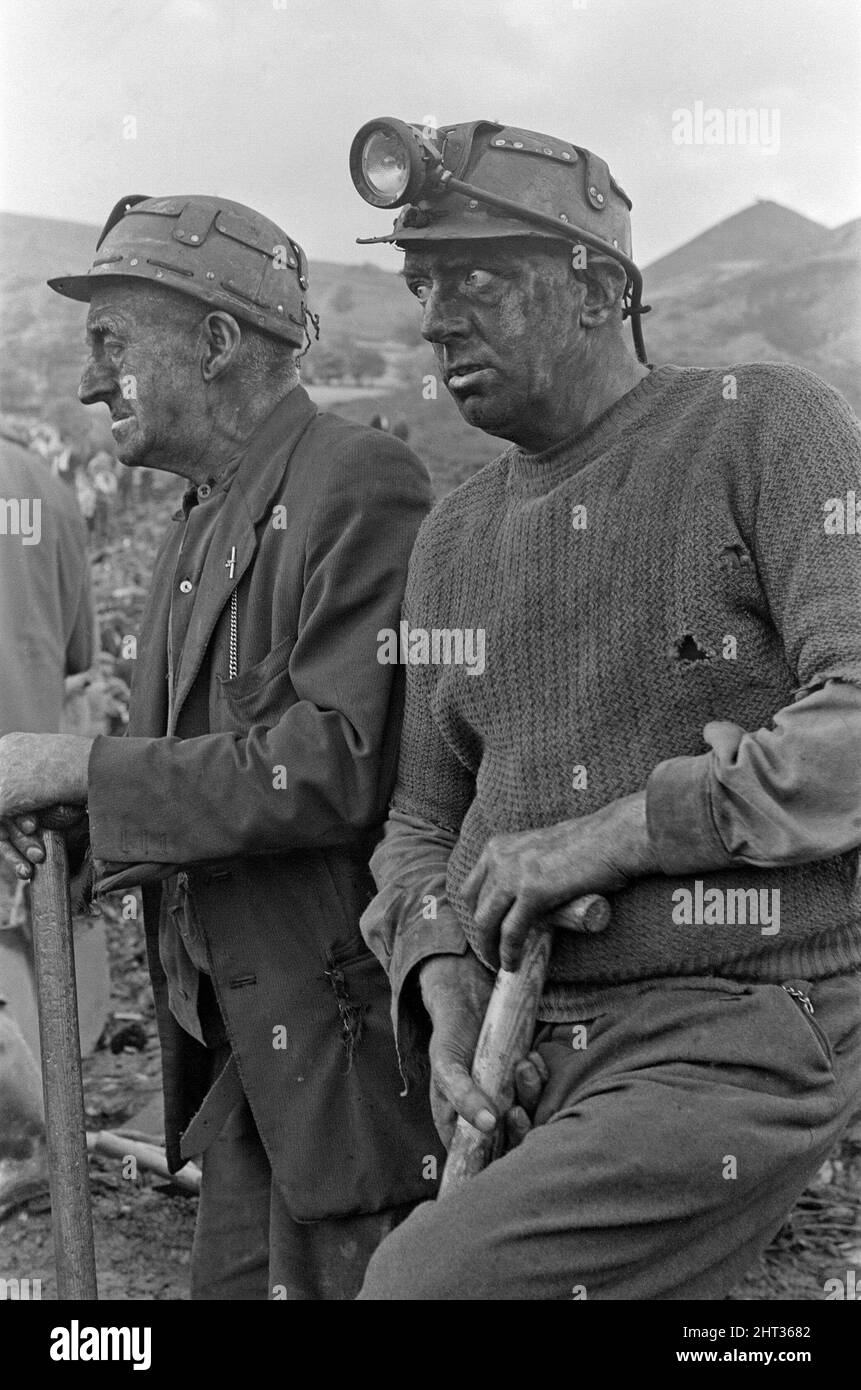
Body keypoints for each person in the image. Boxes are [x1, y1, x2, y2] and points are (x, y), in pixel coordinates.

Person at [347, 119, 861, 1299]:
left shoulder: (765, 427)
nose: (434, 319)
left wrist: (619, 830)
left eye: (475, 276)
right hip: (532, 1045)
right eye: (423, 282)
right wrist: (440, 981)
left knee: (423, 1288)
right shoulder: (452, 540)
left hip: (740, 1025)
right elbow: (419, 828)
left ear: (596, 287)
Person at [0, 193, 443, 1299]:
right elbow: (203, 771)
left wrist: (84, 770)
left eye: (111, 343)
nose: (92, 380)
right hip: (241, 1056)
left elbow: (337, 759)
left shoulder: (356, 480)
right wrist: (91, 830)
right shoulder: (200, 520)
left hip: (343, 1059)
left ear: (214, 340)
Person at [0, 436, 95, 1214]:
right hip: (34, 764)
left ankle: (30, 1147)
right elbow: (77, 651)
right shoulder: (45, 482)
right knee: (28, 943)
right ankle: (48, 1146)